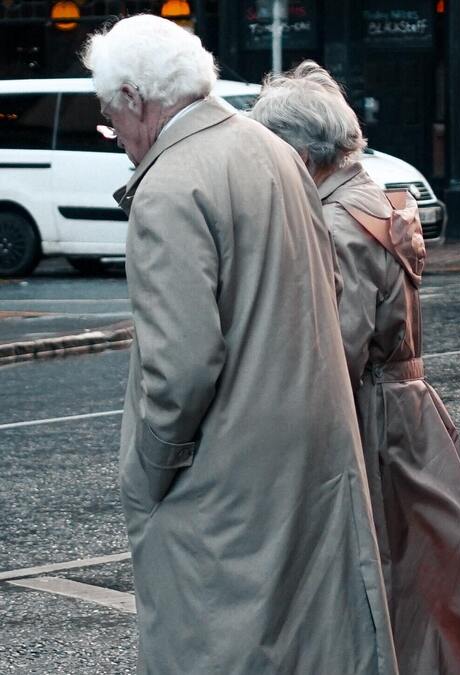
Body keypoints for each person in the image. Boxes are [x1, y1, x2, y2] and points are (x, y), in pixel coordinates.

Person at [84, 17, 398, 675]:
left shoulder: (170, 186)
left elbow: (181, 368)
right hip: (308, 456)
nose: (117, 137)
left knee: (215, 644)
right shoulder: (272, 149)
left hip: (221, 481)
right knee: (309, 642)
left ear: (137, 98)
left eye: (111, 116)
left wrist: (148, 474)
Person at [249, 61, 460, 675]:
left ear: (298, 149)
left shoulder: (338, 220)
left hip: (371, 418)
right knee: (427, 579)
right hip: (405, 411)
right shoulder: (371, 196)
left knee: (384, 578)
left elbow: (335, 349)